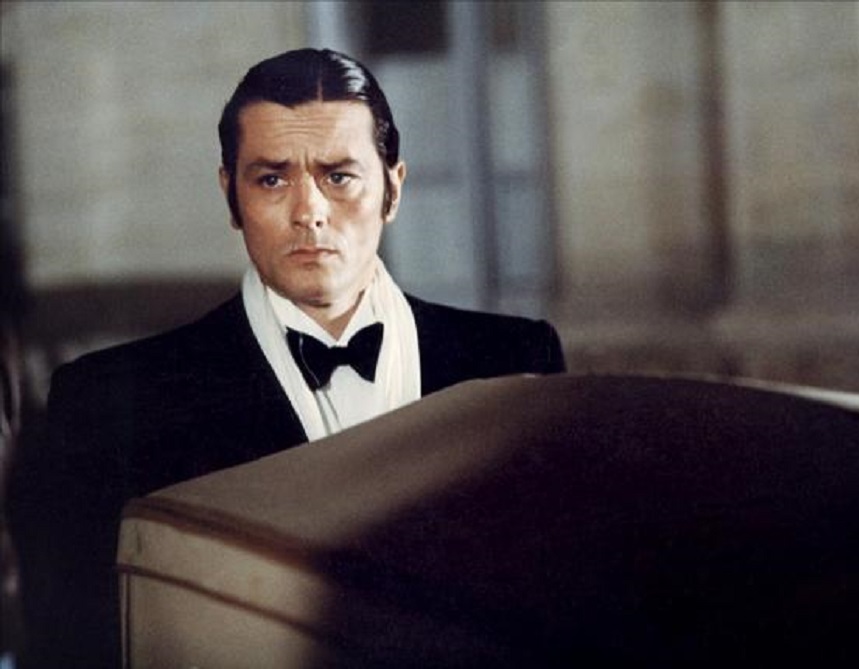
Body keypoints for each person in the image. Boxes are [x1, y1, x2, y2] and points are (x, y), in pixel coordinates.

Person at [9, 48, 565, 668]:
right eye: (272, 179)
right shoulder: (109, 400)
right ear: (231, 196)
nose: (309, 213)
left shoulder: (518, 361)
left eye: (339, 176)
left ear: (393, 188)